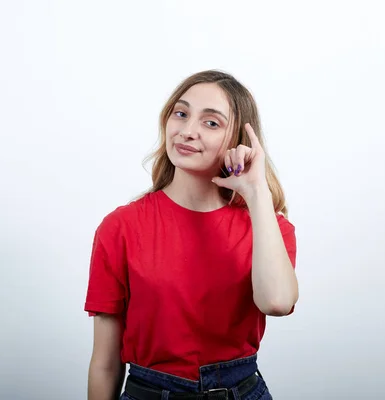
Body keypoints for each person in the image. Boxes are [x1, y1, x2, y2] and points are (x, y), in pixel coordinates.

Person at [84, 70, 299, 400]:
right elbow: (105, 363)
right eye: (181, 114)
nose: (187, 131)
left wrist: (257, 193)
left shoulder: (268, 227)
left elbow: (277, 302)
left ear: (239, 141)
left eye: (211, 122)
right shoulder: (121, 227)